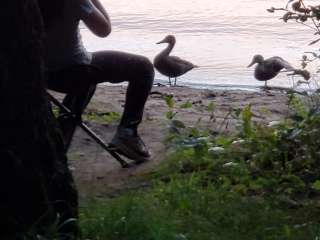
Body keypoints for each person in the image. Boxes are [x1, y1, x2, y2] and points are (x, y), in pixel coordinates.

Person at [38, 0, 155, 162]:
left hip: (39, 74)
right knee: (143, 67)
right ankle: (127, 133)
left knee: (86, 77)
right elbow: (104, 29)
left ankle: (59, 144)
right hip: (72, 71)